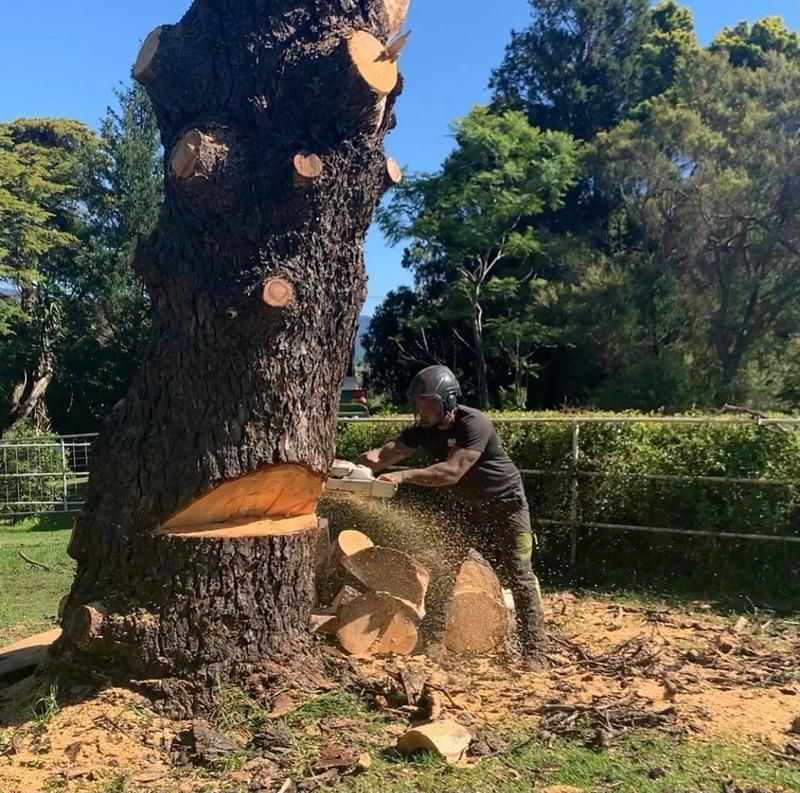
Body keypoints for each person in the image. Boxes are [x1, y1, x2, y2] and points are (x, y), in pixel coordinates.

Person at [356, 365, 547, 665]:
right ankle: (433, 644)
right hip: (465, 507)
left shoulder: (474, 424)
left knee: (520, 574)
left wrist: (403, 477)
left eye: (428, 402)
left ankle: (534, 651)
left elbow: (451, 471)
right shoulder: (423, 430)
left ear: (449, 401)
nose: (422, 409)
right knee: (444, 570)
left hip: (505, 504)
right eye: (418, 403)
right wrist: (351, 469)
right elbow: (386, 454)